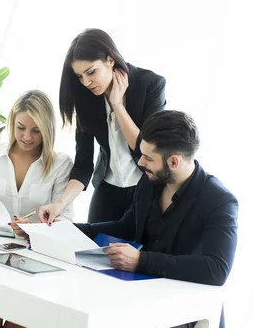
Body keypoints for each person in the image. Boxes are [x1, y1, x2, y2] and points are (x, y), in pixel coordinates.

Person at [16, 110, 238, 328]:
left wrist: (141, 260)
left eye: (147, 157)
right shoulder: (149, 182)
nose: (140, 162)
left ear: (174, 161)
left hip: (182, 309)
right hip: (132, 294)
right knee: (58, 321)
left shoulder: (220, 201)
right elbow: (123, 227)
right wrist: (52, 230)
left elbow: (217, 269)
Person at [0, 90, 74, 328]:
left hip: (34, 251)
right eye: (21, 127)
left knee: (22, 307)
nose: (26, 137)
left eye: (36, 131)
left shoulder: (60, 164)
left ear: (47, 130)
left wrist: (32, 229)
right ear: (12, 122)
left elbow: (66, 219)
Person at [39, 28, 166, 224]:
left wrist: (117, 106)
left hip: (146, 189)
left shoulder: (150, 85)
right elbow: (83, 164)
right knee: (94, 251)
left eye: (91, 72)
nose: (86, 82)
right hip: (107, 190)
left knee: (136, 253)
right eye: (80, 76)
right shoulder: (86, 98)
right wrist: (60, 204)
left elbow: (146, 150)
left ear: (110, 60)